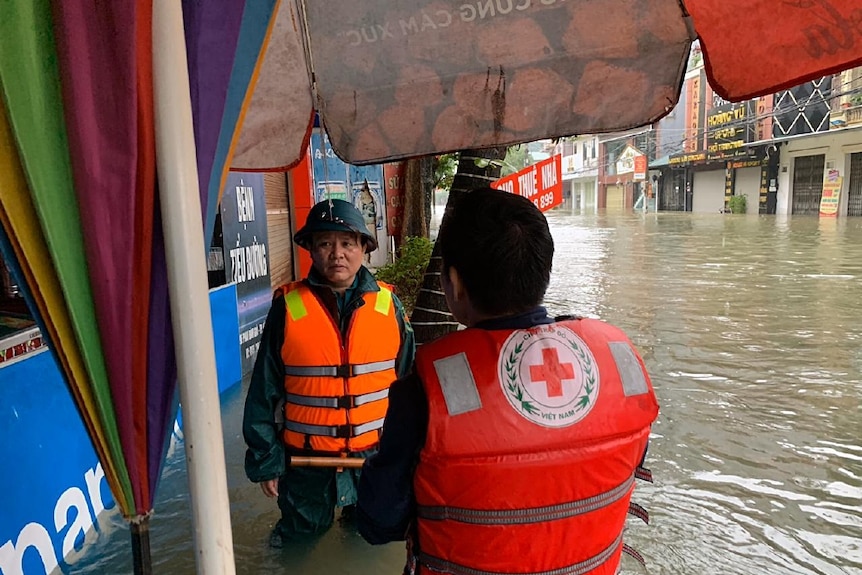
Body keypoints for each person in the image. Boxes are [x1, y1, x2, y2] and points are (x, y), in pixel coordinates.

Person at [356, 187, 659, 574]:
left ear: (454, 282)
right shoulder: (621, 364)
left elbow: (379, 522)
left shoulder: (427, 390)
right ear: (543, 270)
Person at [243, 198, 415, 547]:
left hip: (374, 459)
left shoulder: (388, 306)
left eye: (347, 243)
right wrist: (267, 461)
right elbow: (264, 390)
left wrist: (411, 453)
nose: (337, 253)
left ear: (364, 248)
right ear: (311, 250)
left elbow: (411, 386)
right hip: (306, 463)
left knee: (371, 540)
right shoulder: (287, 308)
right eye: (325, 243)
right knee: (297, 543)